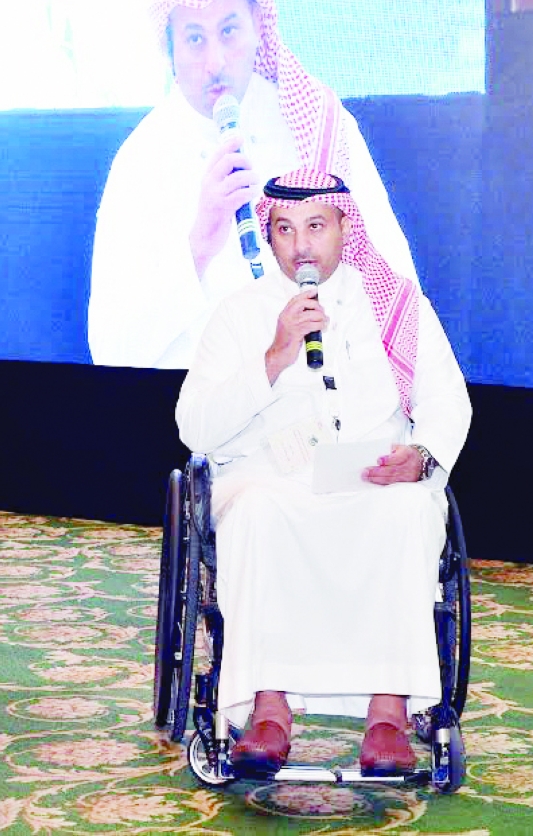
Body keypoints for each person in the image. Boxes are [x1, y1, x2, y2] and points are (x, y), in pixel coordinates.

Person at [175, 169, 471, 776]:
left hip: (373, 480)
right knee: (258, 512)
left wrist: (421, 455)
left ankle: (387, 713)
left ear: (344, 228)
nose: (301, 246)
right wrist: (275, 356)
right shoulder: (237, 315)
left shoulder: (396, 307)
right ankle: (268, 709)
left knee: (409, 509)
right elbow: (194, 428)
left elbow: (448, 401)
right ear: (269, 236)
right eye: (285, 230)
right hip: (269, 481)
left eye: (316, 226)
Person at [88, 0, 417, 369]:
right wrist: (199, 245)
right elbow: (110, 349)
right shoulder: (141, 161)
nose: (215, 62)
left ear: (258, 27)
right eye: (195, 39)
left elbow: (397, 290)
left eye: (229, 32)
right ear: (170, 48)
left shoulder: (321, 126)